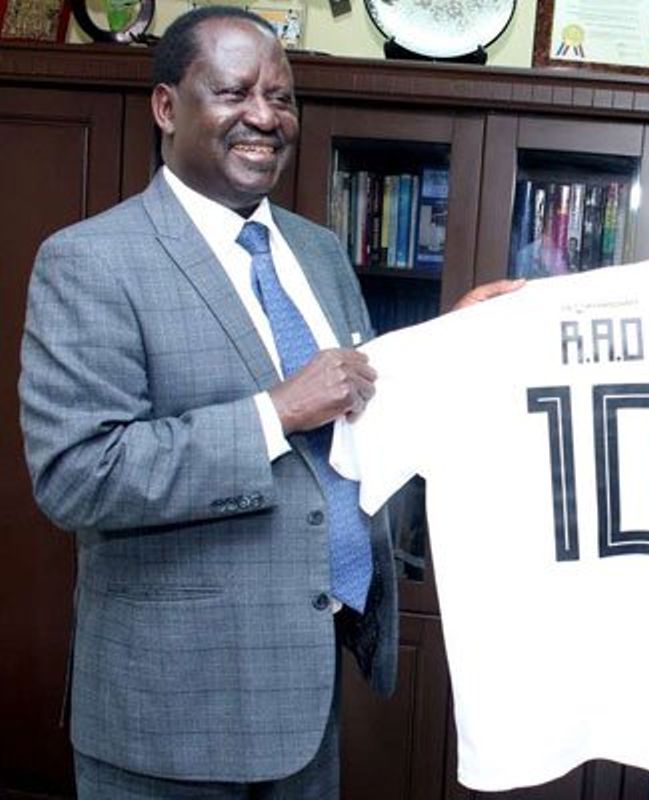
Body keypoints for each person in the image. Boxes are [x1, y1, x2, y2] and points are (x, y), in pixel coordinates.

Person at [17, 6, 514, 797]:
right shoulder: (90, 262)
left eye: (281, 97)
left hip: (308, 686)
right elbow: (78, 474)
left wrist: (449, 345)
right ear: (167, 107)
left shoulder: (318, 252)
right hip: (170, 715)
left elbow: (357, 399)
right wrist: (273, 412)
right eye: (234, 91)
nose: (264, 116)